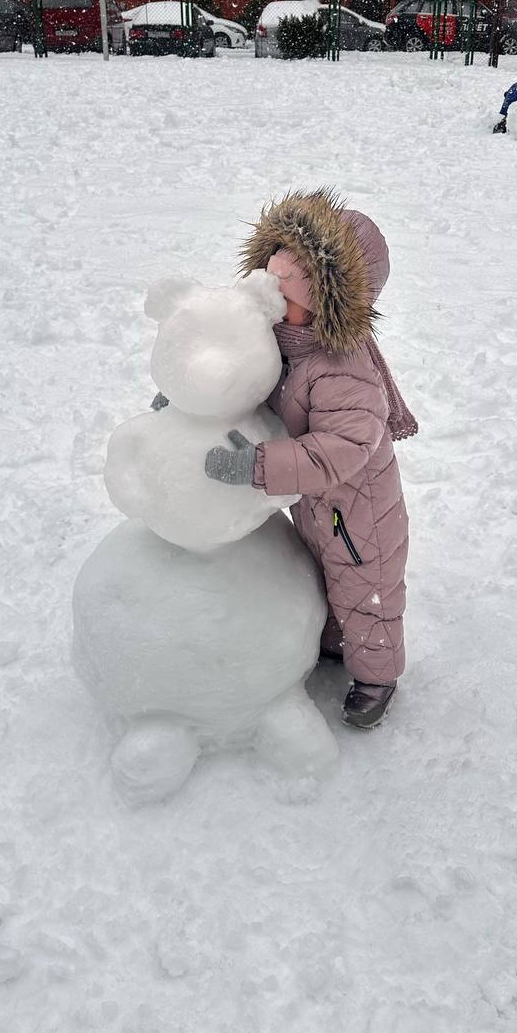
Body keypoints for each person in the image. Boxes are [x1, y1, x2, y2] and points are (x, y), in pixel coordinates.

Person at [203, 190, 418, 730]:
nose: (271, 294)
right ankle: (332, 638)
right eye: (269, 279)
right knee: (322, 575)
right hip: (316, 504)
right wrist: (195, 401)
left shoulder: (344, 368)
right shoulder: (285, 340)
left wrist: (257, 467)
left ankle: (377, 674)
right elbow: (255, 386)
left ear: (327, 299)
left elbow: (338, 451)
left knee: (364, 590)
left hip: (358, 510)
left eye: (286, 288)